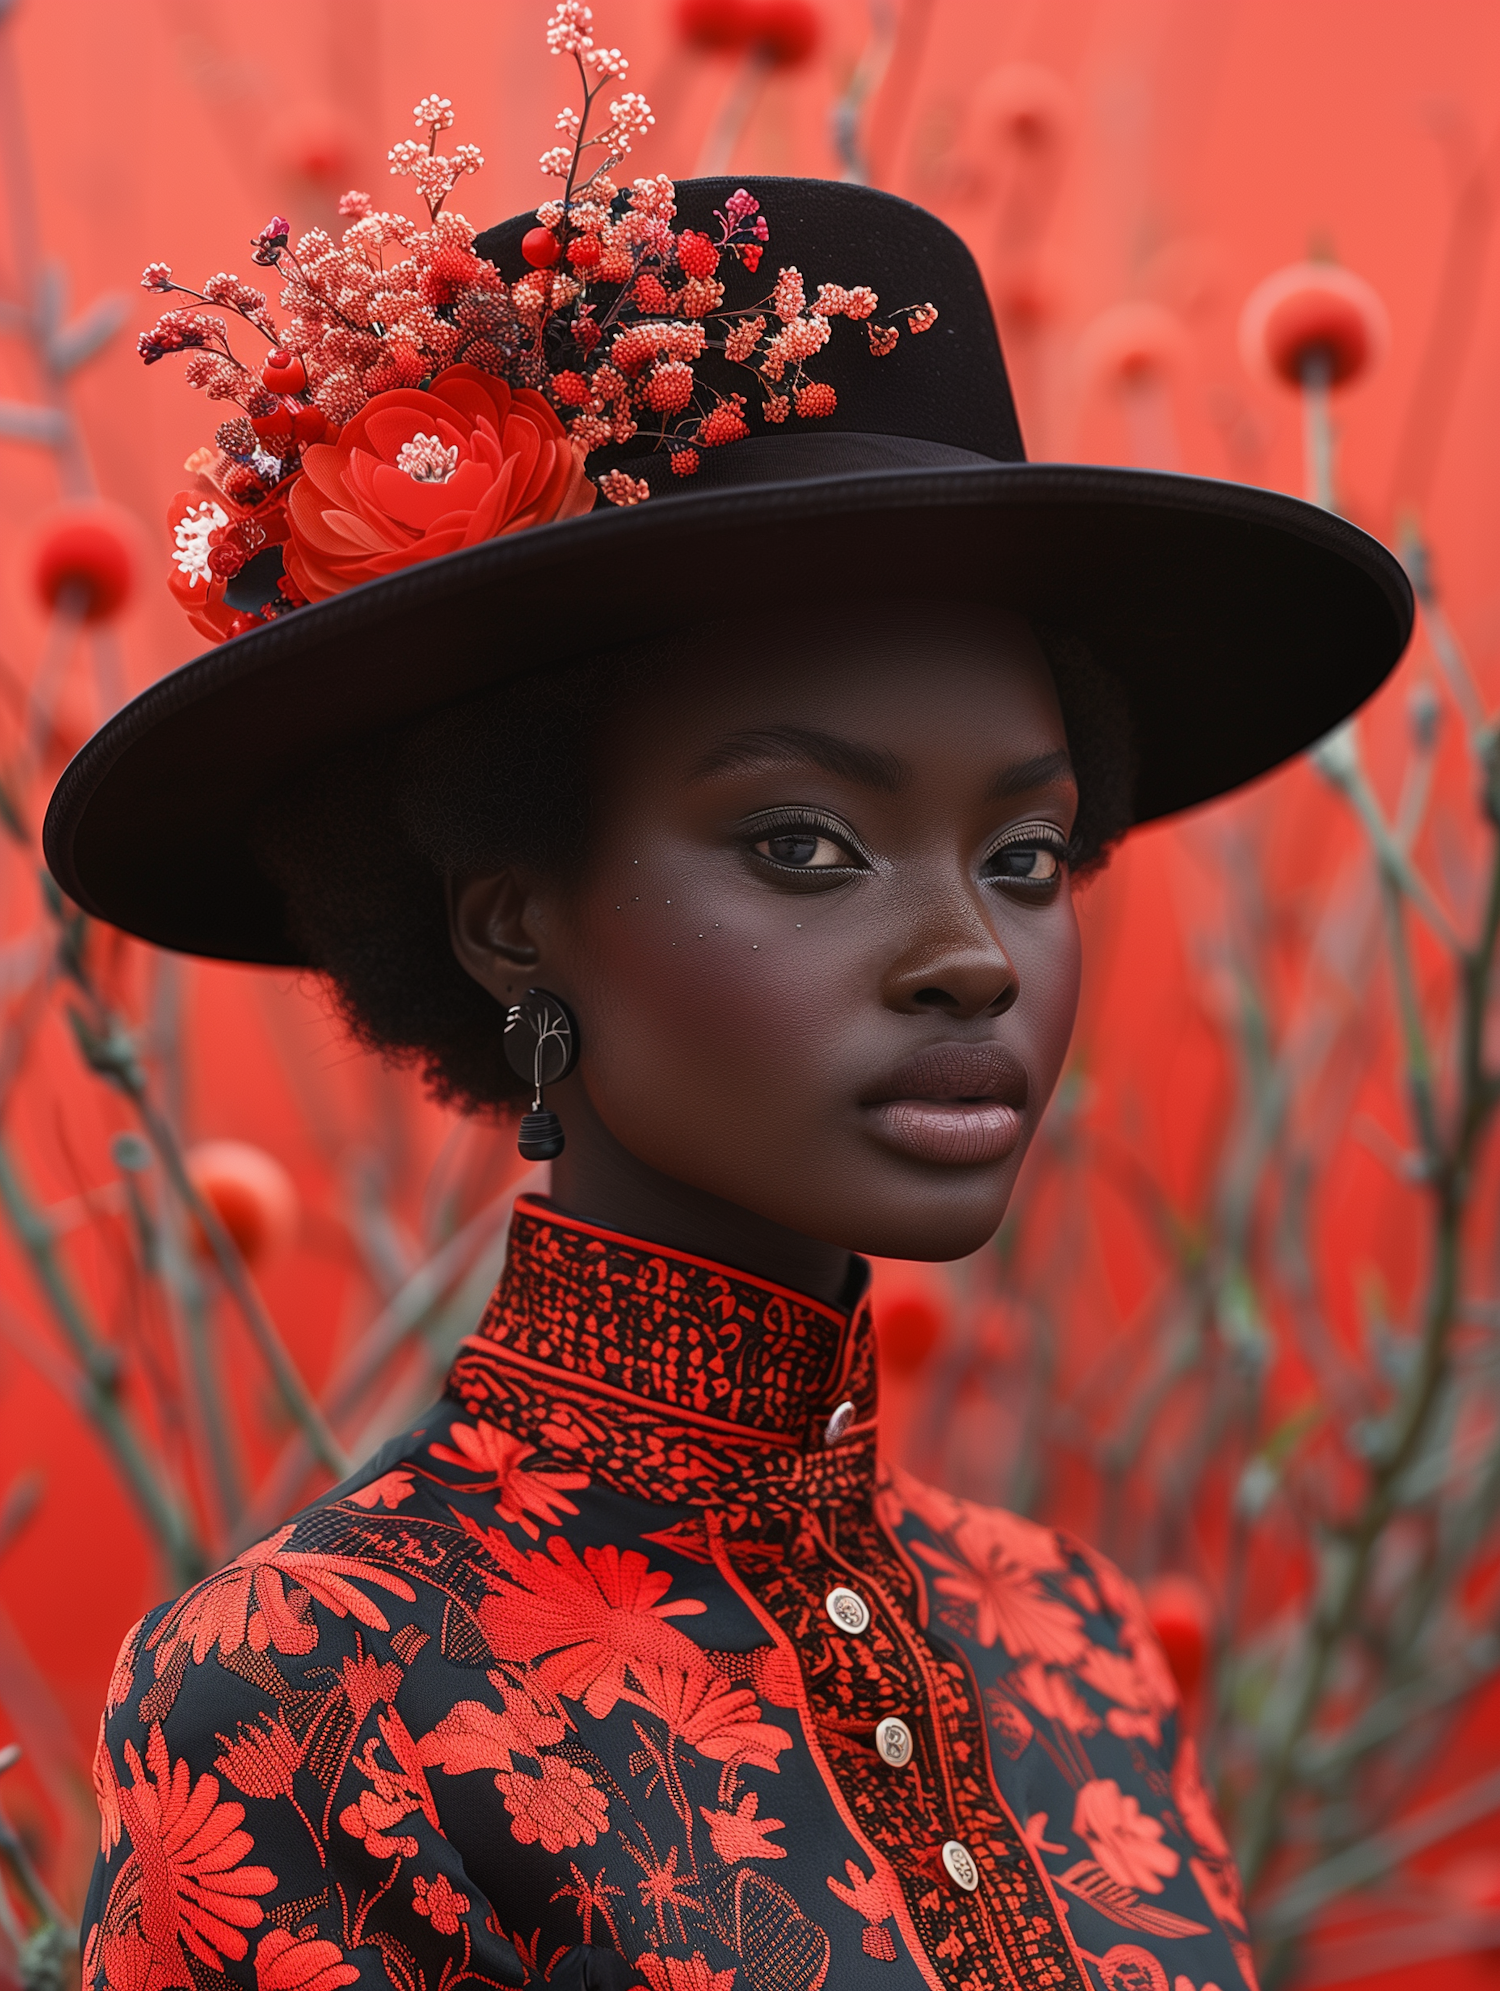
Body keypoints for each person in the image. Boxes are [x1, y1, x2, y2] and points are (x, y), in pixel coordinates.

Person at [48, 37, 1411, 1991]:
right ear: (513, 915)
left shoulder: (1082, 1644)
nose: (971, 952)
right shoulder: (319, 1689)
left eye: (1026, 855)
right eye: (800, 840)